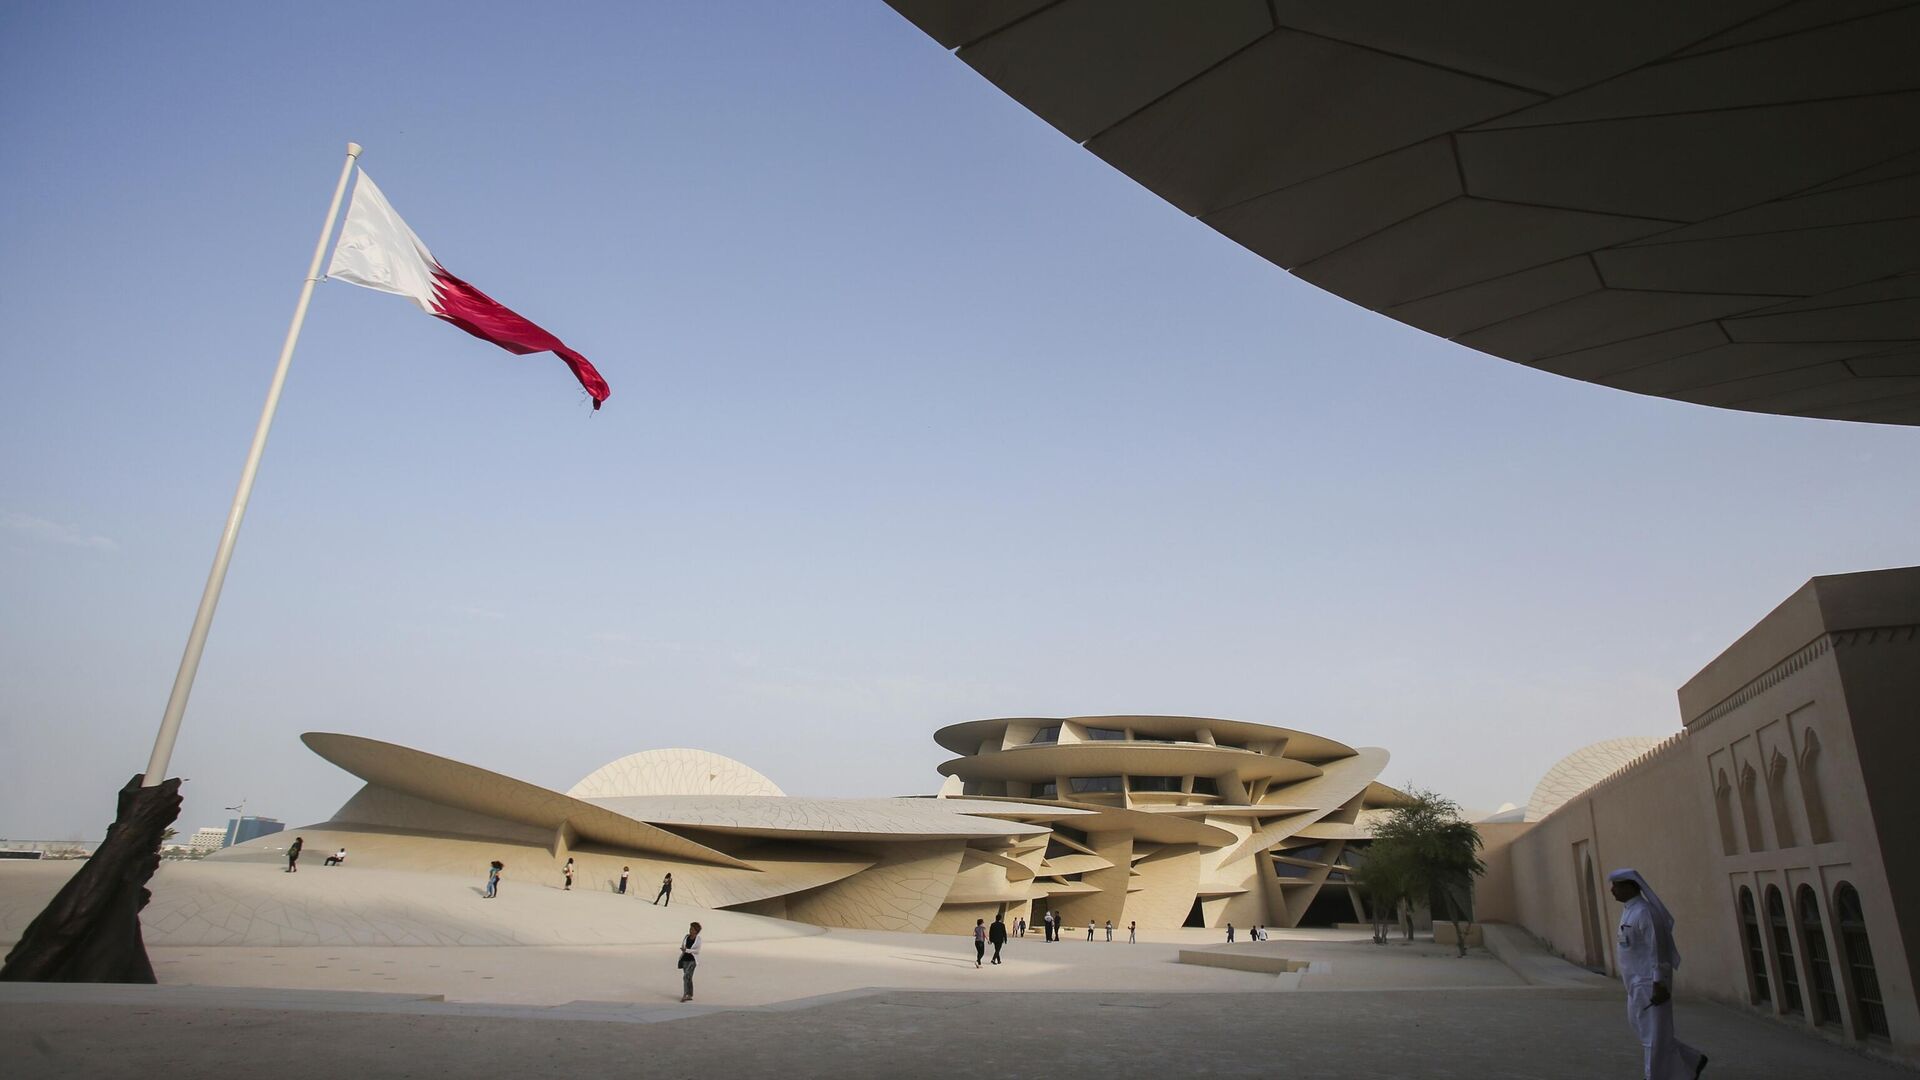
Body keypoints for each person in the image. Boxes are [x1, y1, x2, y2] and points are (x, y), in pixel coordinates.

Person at [1610, 870, 1708, 1080]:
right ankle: (1692, 1060)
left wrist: (1659, 983)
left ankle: (1653, 1076)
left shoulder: (1645, 912)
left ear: (1630, 887)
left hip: (1649, 984)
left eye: (1616, 886)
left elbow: (1658, 950)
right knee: (1646, 1031)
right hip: (1634, 984)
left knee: (1653, 1039)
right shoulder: (1629, 911)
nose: (1612, 890)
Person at [678, 921, 702, 1002]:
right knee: (688, 977)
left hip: (692, 960)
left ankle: (685, 995)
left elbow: (697, 951)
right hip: (685, 959)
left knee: (686, 977)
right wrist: (683, 949)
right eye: (690, 928)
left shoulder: (698, 939)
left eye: (692, 929)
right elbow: (683, 945)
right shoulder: (686, 936)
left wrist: (687, 950)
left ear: (696, 931)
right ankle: (690, 994)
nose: (690, 930)